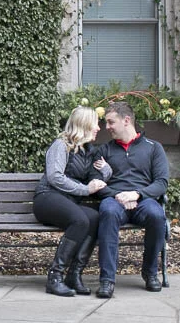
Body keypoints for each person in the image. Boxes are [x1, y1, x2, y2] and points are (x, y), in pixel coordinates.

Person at [93, 101, 170, 299]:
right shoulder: (104, 150)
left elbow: (161, 183)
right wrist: (117, 195)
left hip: (143, 200)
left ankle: (150, 272)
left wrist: (137, 194)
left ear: (126, 120)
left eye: (111, 122)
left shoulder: (154, 148)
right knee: (108, 212)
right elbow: (94, 183)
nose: (106, 127)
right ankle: (107, 279)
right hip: (114, 199)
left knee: (157, 215)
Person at [33, 106, 112, 297]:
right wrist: (85, 189)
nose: (99, 128)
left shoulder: (90, 150)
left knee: (94, 217)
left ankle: (74, 274)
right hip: (47, 198)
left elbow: (95, 180)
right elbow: (55, 177)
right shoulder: (61, 145)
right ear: (84, 125)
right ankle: (55, 276)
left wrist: (107, 171)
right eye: (95, 124)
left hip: (69, 203)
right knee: (81, 220)